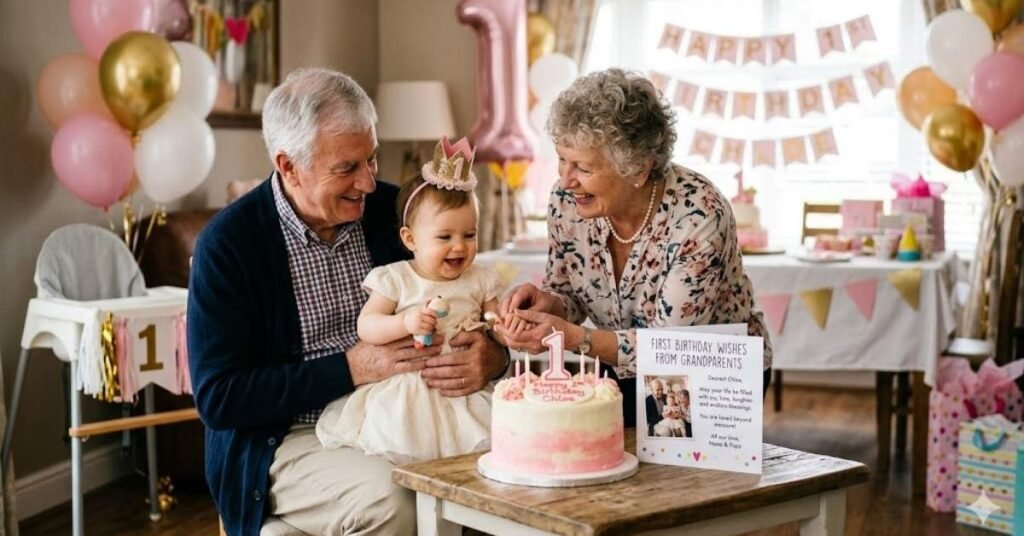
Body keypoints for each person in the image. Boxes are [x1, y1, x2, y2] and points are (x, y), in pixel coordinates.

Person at [188, 68, 509, 536]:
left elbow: (467, 299)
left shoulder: (391, 212)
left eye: (371, 160)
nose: (367, 182)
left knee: (500, 474)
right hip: (289, 436)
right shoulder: (230, 244)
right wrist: (352, 368)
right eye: (346, 168)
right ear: (288, 166)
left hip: (413, 417)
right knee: (401, 498)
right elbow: (221, 398)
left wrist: (493, 356)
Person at [497, 68, 772, 426]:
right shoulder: (566, 203)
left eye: (583, 166)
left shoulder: (699, 214)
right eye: (562, 159)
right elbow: (569, 293)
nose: (566, 180)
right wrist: (547, 304)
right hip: (617, 370)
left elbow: (670, 348)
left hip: (712, 381)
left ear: (639, 168)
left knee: (689, 482)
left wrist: (573, 338)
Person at [316, 137, 507, 464]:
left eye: (469, 235)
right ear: (410, 239)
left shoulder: (480, 278)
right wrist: (403, 322)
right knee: (411, 459)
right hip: (409, 392)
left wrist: (501, 330)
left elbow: (495, 326)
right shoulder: (397, 278)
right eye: (445, 237)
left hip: (463, 389)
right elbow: (367, 326)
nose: (459, 247)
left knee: (478, 460)